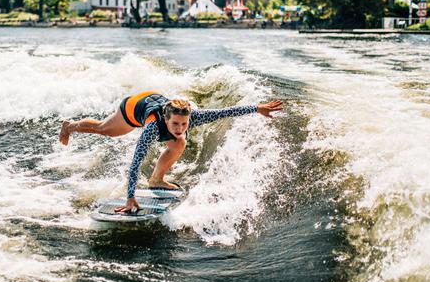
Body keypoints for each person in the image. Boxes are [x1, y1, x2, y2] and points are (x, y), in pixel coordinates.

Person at [59, 91, 283, 213]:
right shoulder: (151, 128)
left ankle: (157, 179)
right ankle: (70, 126)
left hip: (156, 100)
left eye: (184, 124)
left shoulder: (191, 118)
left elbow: (226, 111)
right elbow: (136, 161)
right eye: (175, 124)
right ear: (166, 119)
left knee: (179, 143)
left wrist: (256, 108)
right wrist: (130, 198)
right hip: (132, 108)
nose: (180, 128)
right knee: (105, 130)